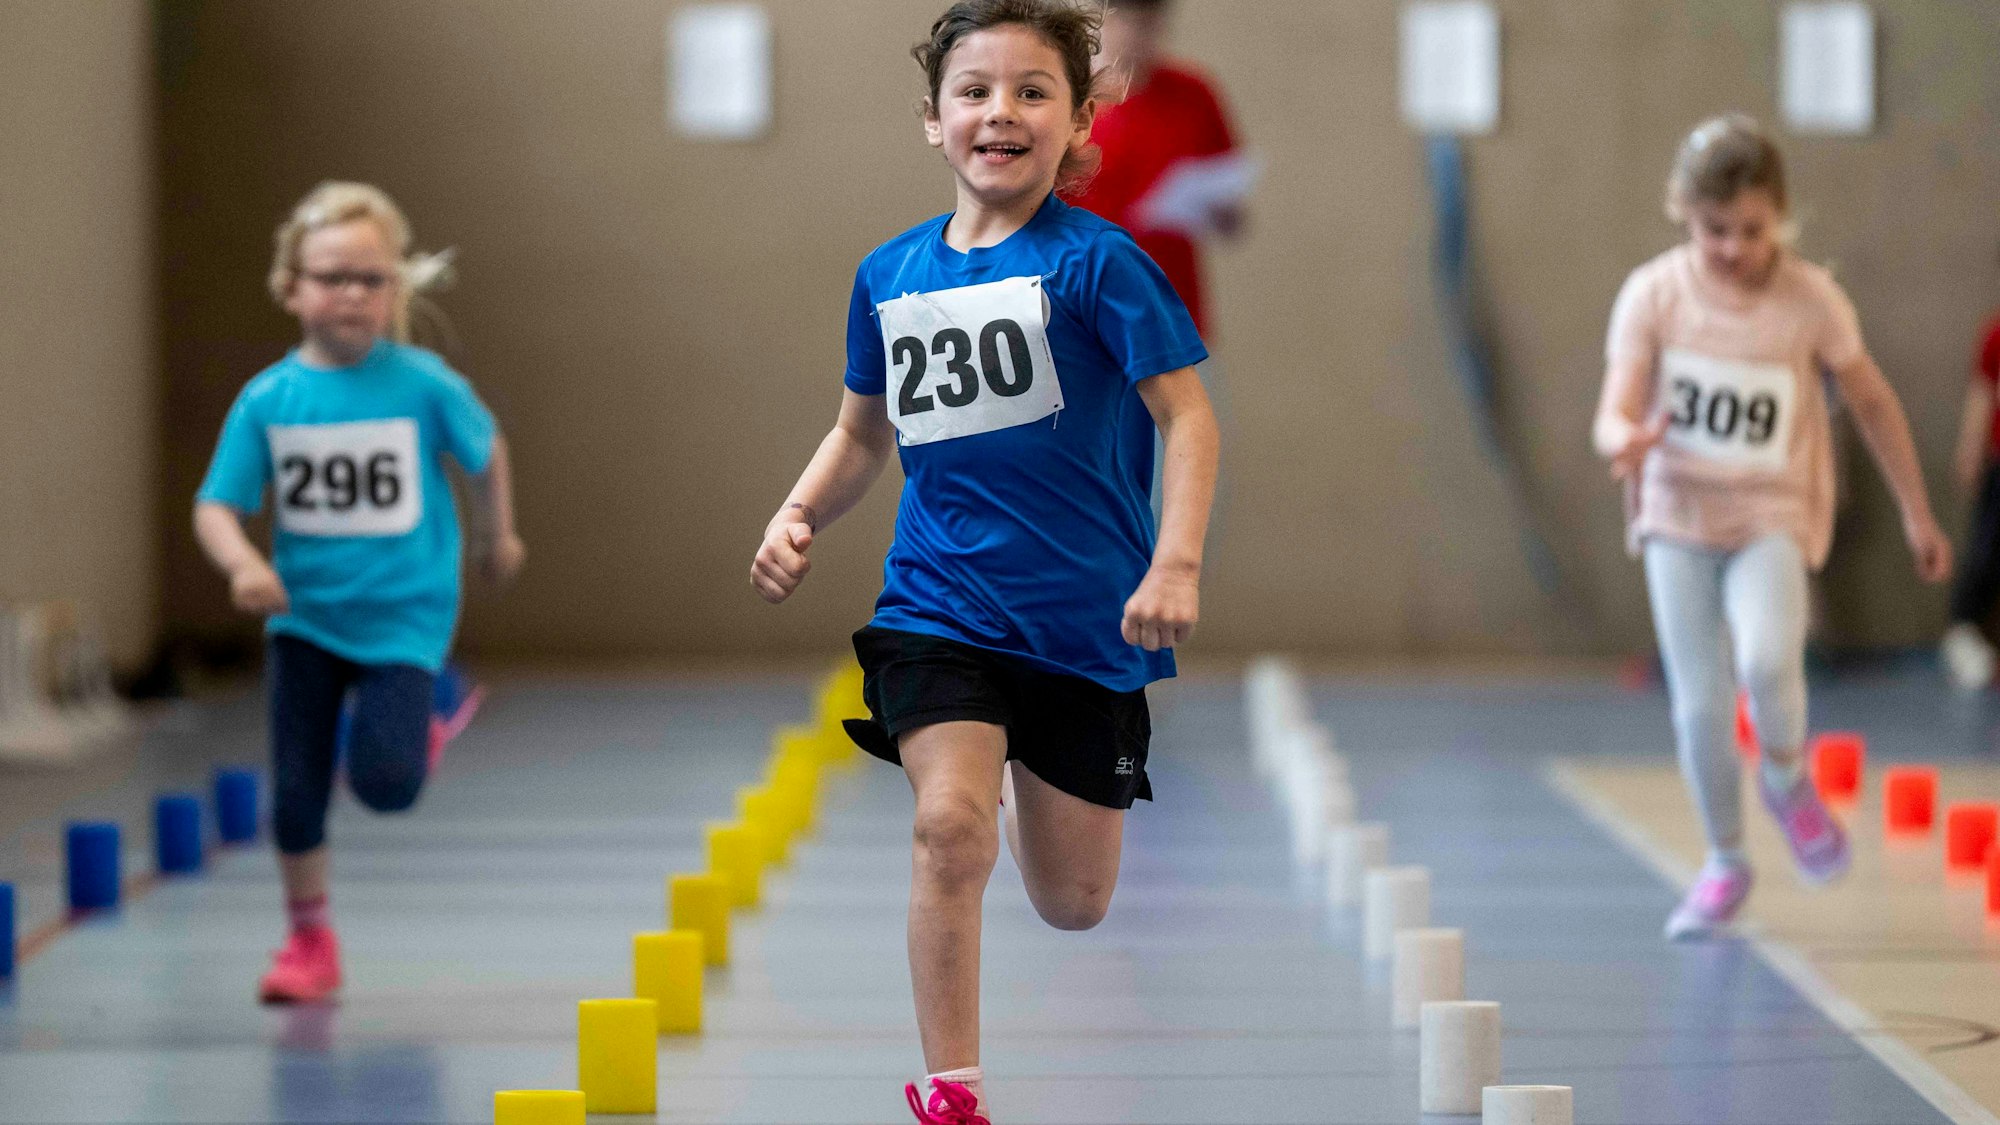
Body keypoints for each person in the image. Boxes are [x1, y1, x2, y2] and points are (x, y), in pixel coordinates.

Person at [749, 3, 1218, 1119]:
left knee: (1074, 901)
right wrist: (798, 511)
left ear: (1075, 120)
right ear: (932, 119)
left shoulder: (1103, 266)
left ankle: (1026, 784)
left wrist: (1177, 563)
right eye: (974, 91)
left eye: (1030, 92)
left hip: (1083, 623)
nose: (998, 113)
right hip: (938, 603)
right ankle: (951, 1091)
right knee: (945, 828)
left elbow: (1187, 419)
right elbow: (863, 431)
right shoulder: (889, 275)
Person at [1591, 115, 1950, 941]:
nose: (1732, 248)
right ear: (1685, 214)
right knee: (1699, 705)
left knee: (1764, 657)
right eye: (1714, 230)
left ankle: (1787, 779)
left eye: (1751, 231)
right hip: (1678, 515)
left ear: (1780, 216)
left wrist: (1917, 512)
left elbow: (1872, 402)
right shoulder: (1655, 294)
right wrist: (1626, 438)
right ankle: (1725, 860)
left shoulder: (1811, 301)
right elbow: (1613, 410)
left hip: (1772, 513)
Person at [194, 182, 524, 1002]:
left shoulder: (422, 382)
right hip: (304, 620)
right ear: (292, 285)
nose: (353, 293)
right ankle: (308, 940)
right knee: (296, 792)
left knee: (386, 784)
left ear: (396, 290)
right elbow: (215, 505)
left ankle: (424, 719)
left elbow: (485, 453)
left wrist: (497, 534)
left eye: (372, 279)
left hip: (404, 621)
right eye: (334, 276)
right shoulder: (269, 399)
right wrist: (242, 562)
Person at [1067, 0, 1241, 339]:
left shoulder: (1194, 94)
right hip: (1088, 299)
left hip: (1172, 302)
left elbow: (1230, 210)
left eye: (1151, 24)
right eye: (1131, 23)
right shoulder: (1069, 99)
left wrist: (1216, 209)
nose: (1141, 37)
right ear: (1102, 22)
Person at [1940, 305, 2000, 688]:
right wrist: (1969, 451)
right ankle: (1963, 634)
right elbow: (1982, 394)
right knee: (1986, 552)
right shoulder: (1995, 335)